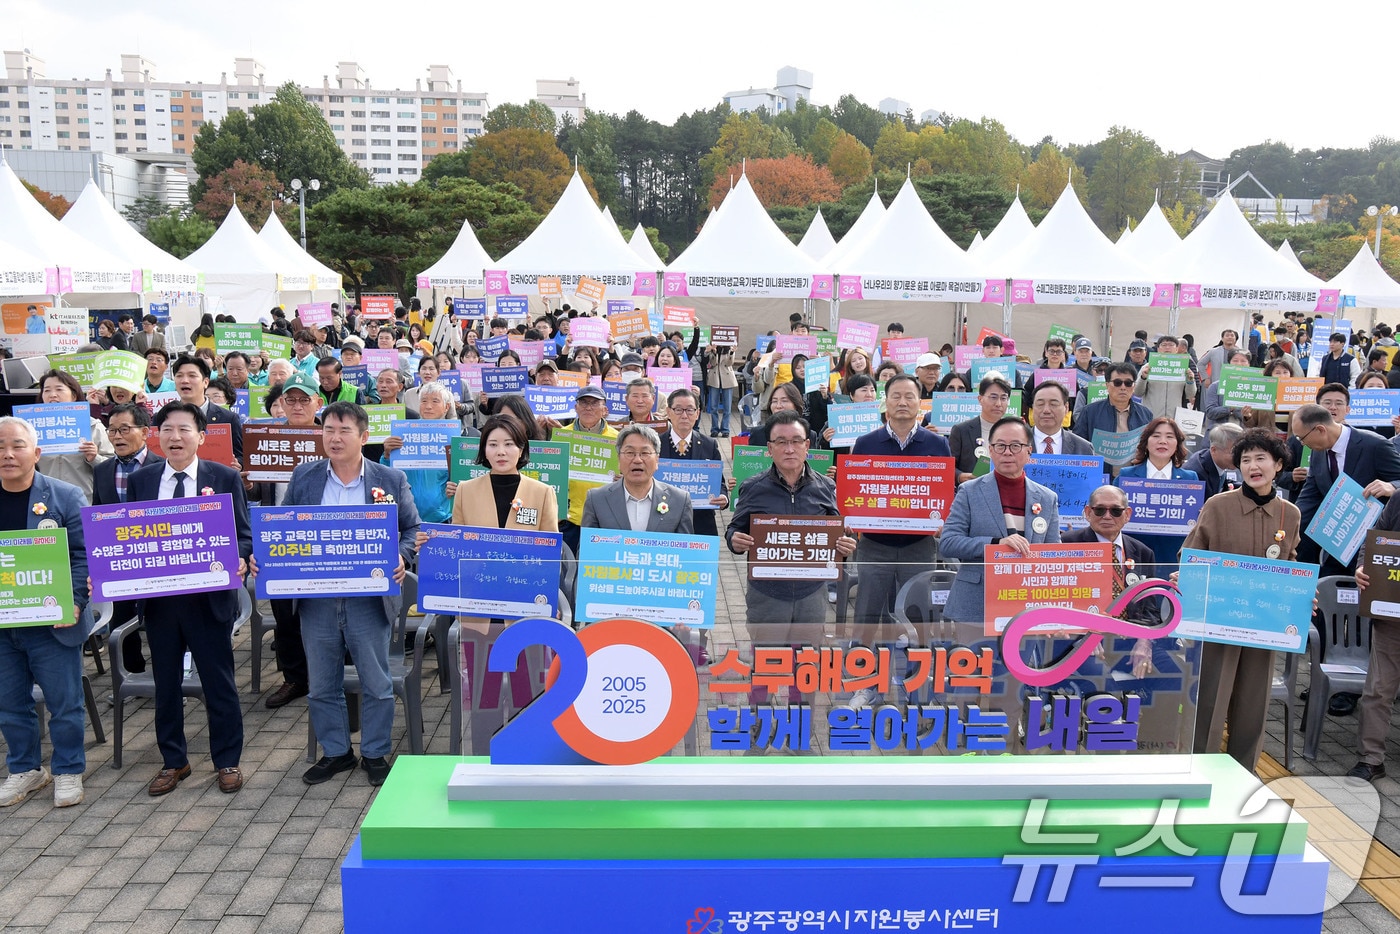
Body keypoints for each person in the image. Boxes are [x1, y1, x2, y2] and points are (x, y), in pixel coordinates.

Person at [262, 401, 419, 787]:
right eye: (328, 429)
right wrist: (266, 559)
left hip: (369, 599)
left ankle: (375, 751)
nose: (334, 438)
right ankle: (336, 752)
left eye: (344, 431)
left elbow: (413, 530)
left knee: (377, 682)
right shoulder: (304, 477)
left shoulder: (390, 479)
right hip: (317, 598)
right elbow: (283, 528)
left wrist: (401, 555)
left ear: (363, 438)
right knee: (322, 683)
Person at [128, 402, 252, 796]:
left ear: (201, 436)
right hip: (161, 602)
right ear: (156, 435)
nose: (175, 437)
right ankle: (174, 761)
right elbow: (124, 535)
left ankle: (227, 760)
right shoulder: (143, 481)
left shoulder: (224, 477)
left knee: (219, 683)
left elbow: (245, 534)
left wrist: (239, 557)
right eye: (166, 429)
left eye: (184, 429)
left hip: (209, 600)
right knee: (166, 685)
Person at [1184, 428, 1301, 772]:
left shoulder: (1289, 513)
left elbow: (1290, 561)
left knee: (1253, 701)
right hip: (1219, 620)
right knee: (1211, 698)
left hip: (1264, 624)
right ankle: (1198, 770)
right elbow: (1191, 554)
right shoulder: (1218, 506)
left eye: (1261, 458)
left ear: (1278, 464)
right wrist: (1188, 576)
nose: (1253, 465)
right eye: (1245, 459)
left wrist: (1299, 596)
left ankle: (1242, 774)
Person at [726, 409, 857, 709]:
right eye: (781, 442)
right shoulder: (754, 487)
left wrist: (847, 544)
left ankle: (800, 729)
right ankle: (758, 726)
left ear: (807, 446)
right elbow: (735, 528)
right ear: (769, 448)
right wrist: (734, 539)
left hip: (811, 594)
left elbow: (839, 531)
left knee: (806, 666)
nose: (789, 448)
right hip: (767, 594)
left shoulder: (825, 487)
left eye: (796, 441)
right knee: (766, 664)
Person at [0, 417, 92, 809]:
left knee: (64, 701)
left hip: (53, 621)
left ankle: (69, 768)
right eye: (0, 447)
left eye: (17, 445)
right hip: (4, 625)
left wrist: (74, 601)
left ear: (36, 453)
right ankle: (25, 768)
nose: (7, 454)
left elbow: (84, 556)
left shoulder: (66, 496)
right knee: (8, 701)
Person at [847, 374, 953, 706]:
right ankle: (867, 686)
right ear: (886, 402)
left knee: (919, 619)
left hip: (918, 547)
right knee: (866, 618)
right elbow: (857, 493)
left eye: (910, 396)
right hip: (875, 545)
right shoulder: (866, 443)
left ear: (921, 403)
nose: (903, 402)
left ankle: (916, 689)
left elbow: (944, 494)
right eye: (896, 396)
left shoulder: (938, 446)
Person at [940, 416, 1061, 624]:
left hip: (1027, 605)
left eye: (1015, 446)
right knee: (976, 657)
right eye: (1000, 446)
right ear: (990, 450)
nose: (1007, 452)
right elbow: (948, 543)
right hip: (977, 604)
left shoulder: (1047, 498)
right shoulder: (969, 491)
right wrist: (996, 544)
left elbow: (1053, 554)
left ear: (1029, 451)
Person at [92, 401, 165, 673]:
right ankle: (133, 675)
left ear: (145, 432)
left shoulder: (163, 466)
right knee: (121, 619)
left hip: (158, 555)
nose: (117, 437)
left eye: (124, 429)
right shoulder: (102, 470)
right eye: (111, 431)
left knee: (162, 621)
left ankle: (169, 680)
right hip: (120, 559)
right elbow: (98, 514)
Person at [1291, 402, 1400, 579]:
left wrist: (1393, 486)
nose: (1302, 444)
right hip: (1334, 546)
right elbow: (1309, 498)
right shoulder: (1319, 452)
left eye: (1301, 438)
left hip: (1370, 547)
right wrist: (1290, 527)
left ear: (1320, 430)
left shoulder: (1374, 445)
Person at [1350, 492, 1400, 782]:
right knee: (1379, 688)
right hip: (1391, 610)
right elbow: (1374, 545)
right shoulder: (1398, 501)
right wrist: (1362, 568)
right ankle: (1370, 759)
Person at [581, 424, 693, 536]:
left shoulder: (680, 500)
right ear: (619, 459)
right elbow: (586, 549)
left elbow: (685, 551)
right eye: (630, 453)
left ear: (657, 460)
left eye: (645, 453)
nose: (637, 460)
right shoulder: (597, 499)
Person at [380, 381, 461, 525]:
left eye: (435, 401)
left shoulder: (453, 439)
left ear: (446, 407)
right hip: (406, 516)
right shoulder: (404, 432)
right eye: (424, 401)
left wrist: (457, 488)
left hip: (440, 518)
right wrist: (387, 455)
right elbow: (388, 475)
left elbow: (460, 477)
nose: (428, 406)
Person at [554, 385, 618, 556]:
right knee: (567, 571)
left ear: (605, 409)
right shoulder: (561, 437)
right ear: (575, 408)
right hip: (569, 519)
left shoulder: (618, 439)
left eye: (594, 403)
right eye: (584, 403)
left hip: (604, 520)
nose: (588, 407)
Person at [31, 369, 113, 501]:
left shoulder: (92, 425)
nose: (52, 395)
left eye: (59, 389)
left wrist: (94, 458)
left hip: (82, 499)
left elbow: (112, 465)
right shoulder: (30, 429)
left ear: (73, 396)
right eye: (47, 390)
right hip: (43, 500)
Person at [658, 388, 728, 537]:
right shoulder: (655, 444)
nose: (684, 415)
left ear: (697, 413)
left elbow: (719, 482)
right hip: (661, 521)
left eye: (690, 410)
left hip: (701, 522)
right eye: (678, 410)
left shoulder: (709, 444)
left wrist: (723, 497)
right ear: (668, 412)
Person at [171, 354, 245, 464]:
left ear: (206, 382)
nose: (185, 380)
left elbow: (241, 456)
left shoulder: (228, 418)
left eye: (192, 376)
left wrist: (238, 464)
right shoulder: (165, 417)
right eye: (179, 376)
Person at [1072, 362, 1154, 451]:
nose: (1123, 387)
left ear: (1133, 386)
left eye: (1128, 383)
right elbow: (1077, 446)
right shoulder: (1089, 412)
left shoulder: (1145, 414)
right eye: (1117, 383)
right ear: (1107, 385)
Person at [949, 374, 1013, 483]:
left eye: (1003, 398)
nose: (998, 404)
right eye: (993, 397)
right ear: (980, 399)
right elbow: (948, 466)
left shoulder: (1014, 431)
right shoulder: (961, 430)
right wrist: (960, 476)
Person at [1133, 335, 1197, 418]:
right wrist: (1143, 378)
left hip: (1173, 417)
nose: (1167, 348)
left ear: (1177, 349)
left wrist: (1190, 381)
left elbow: (1190, 394)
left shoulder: (1183, 368)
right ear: (1158, 349)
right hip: (1150, 416)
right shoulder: (1147, 367)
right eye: (1164, 345)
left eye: (1171, 345)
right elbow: (1138, 393)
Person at [1028, 380, 1094, 456]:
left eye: (1053, 404)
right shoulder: (1015, 444)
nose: (1046, 410)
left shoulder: (1083, 448)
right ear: (1033, 407)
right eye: (1040, 404)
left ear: (1066, 408)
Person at [1183, 423, 1244, 499]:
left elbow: (1223, 482)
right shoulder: (1197, 476)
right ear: (1214, 450)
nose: (1240, 457)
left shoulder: (1210, 458)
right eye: (1234, 452)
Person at [702, 342, 738, 437]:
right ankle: (714, 429)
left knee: (727, 407)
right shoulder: (713, 348)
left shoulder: (729, 348)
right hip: (715, 378)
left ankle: (725, 429)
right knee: (714, 406)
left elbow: (729, 363)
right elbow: (713, 363)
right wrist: (713, 352)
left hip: (727, 378)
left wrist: (731, 353)